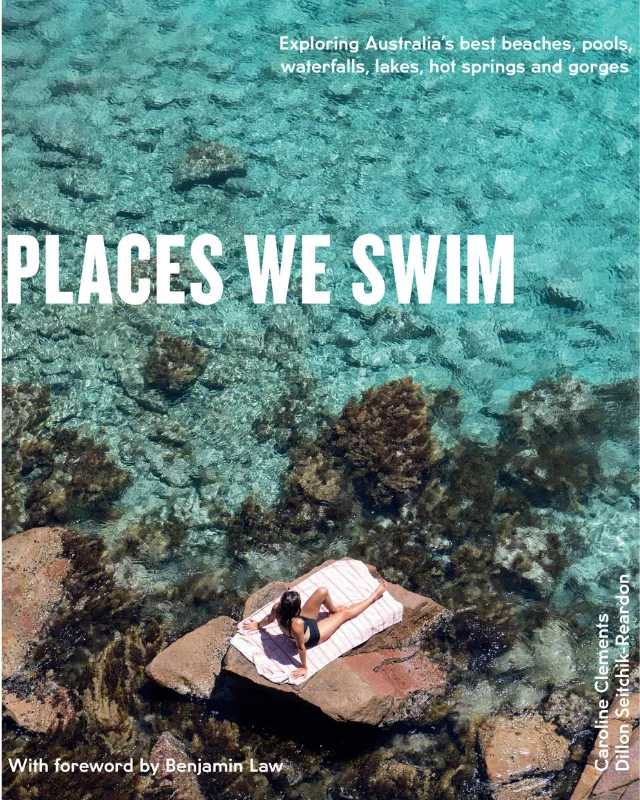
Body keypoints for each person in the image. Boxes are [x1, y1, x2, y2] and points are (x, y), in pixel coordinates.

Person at [239, 580, 387, 680]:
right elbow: (300, 646)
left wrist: (258, 625)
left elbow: (269, 618)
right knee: (345, 614)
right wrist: (304, 667)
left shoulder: (278, 607)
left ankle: (333, 611)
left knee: (323, 591)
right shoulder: (296, 624)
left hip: (303, 621)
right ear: (296, 609)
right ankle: (374, 596)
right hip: (314, 634)